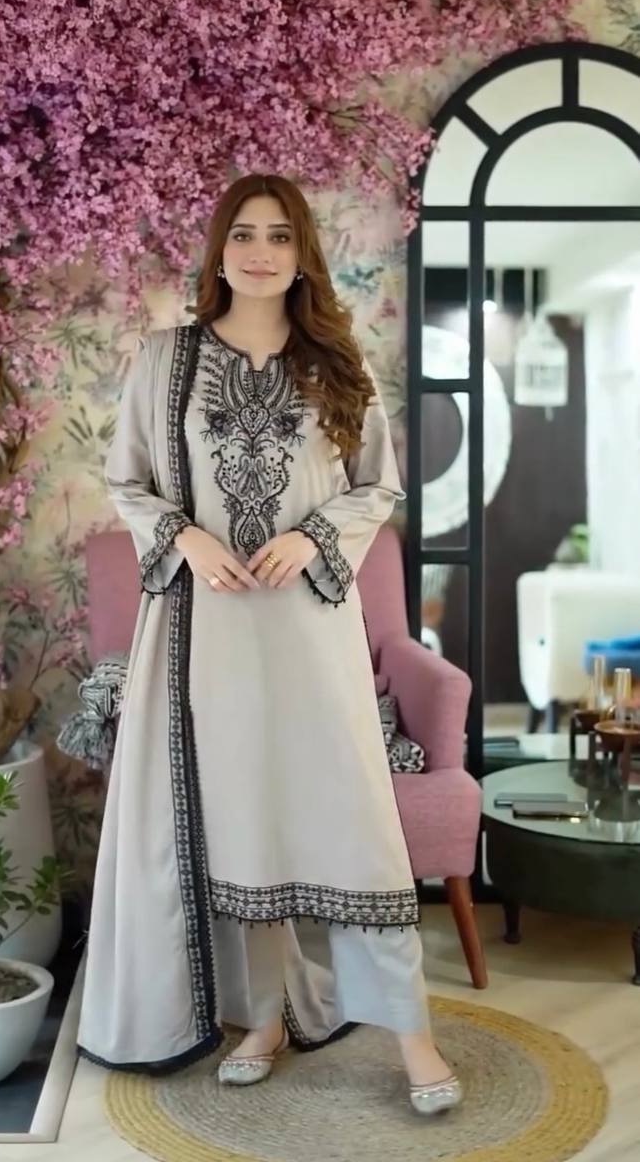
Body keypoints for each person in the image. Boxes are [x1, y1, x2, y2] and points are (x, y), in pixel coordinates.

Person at [77, 173, 463, 1117]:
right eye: (243, 234)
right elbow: (129, 481)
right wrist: (186, 537)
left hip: (310, 628)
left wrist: (314, 537)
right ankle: (262, 1020)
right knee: (242, 820)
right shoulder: (164, 360)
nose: (259, 252)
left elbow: (378, 485)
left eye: (280, 236)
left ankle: (413, 1038)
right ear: (219, 250)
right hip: (207, 630)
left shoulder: (336, 361)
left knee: (352, 824)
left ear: (302, 254)